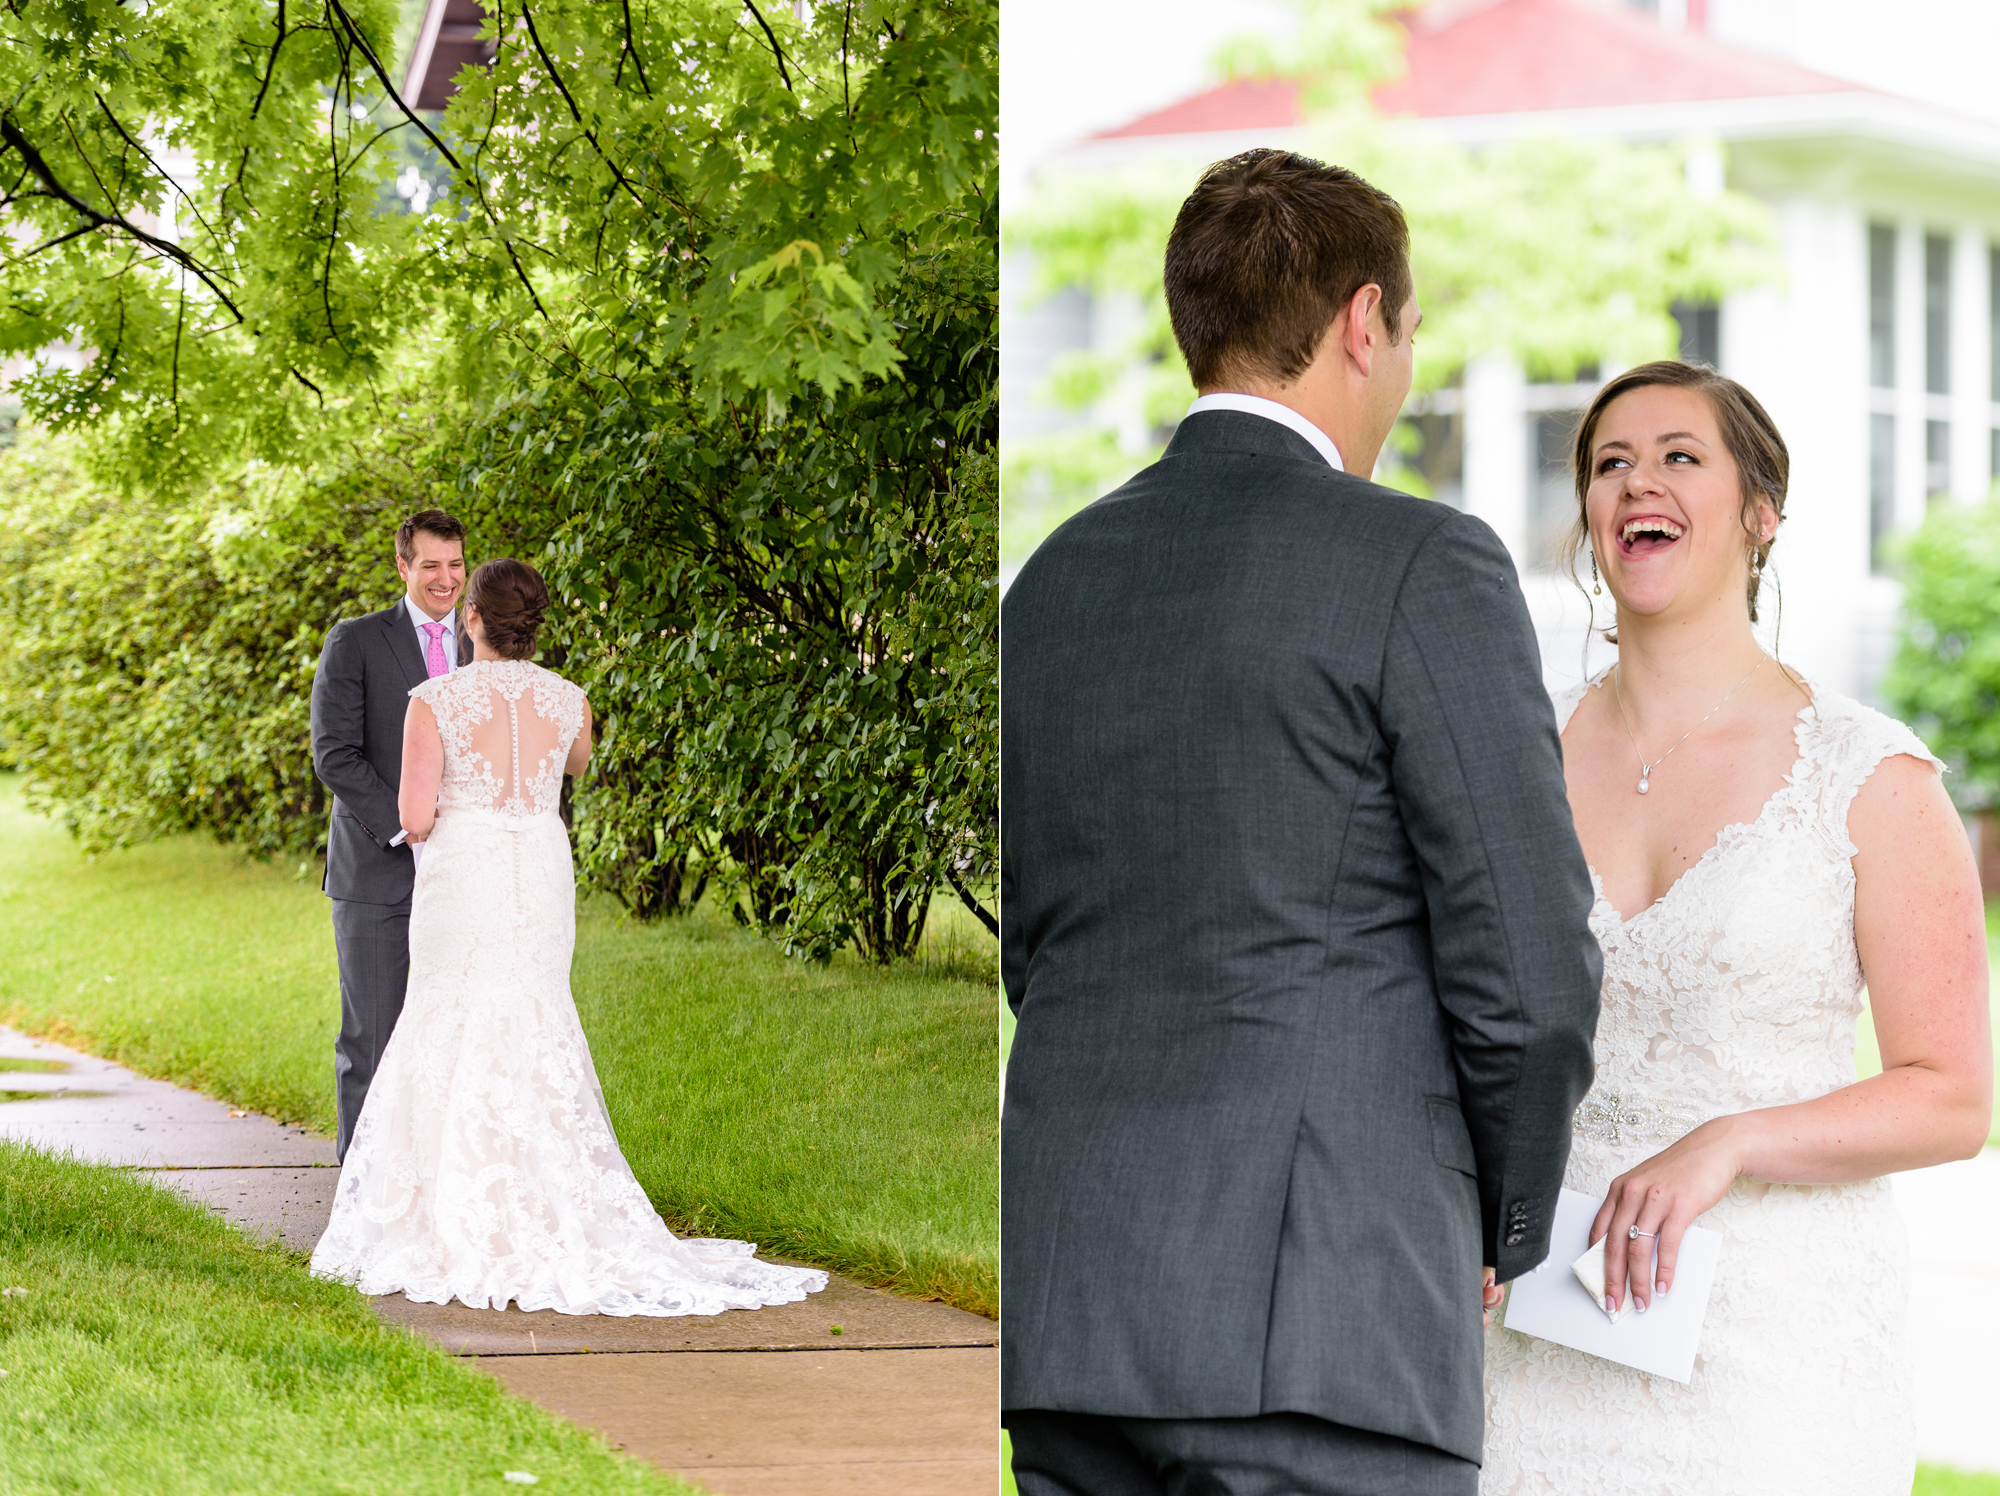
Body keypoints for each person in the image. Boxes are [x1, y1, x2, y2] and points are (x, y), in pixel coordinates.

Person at [1001, 148, 1603, 1496]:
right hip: (1328, 1319)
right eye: (1408, 335)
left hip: (1074, 1314)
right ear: (1360, 322)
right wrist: (1505, 1219)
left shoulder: (1050, 585)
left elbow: (1034, 946)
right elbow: (1527, 966)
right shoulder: (1420, 561)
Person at [1481, 360, 1993, 1494]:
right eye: (1608, 462)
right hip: (1536, 1323)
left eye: (1677, 456)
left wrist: (1726, 1141)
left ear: (1759, 515)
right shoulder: (1511, 754)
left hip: (1773, 1347)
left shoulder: (1869, 775)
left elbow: (1952, 1097)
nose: (1634, 483)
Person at [311, 558, 827, 1315]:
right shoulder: (569, 699)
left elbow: (415, 817)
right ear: (534, 624)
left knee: (451, 1017)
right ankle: (550, 1201)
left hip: (467, 873)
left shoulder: (436, 699)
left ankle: (450, 1212)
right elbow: (575, 763)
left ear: (473, 619)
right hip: (538, 869)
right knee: (534, 1015)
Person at [311, 509, 473, 1162]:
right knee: (372, 1040)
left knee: (458, 1040)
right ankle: (361, 1197)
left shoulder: (482, 641)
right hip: (379, 875)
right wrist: (412, 829)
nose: (446, 579)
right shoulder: (355, 641)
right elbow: (335, 754)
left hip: (467, 874)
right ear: (403, 566)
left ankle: (435, 1188)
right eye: (431, 565)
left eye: (456, 564)